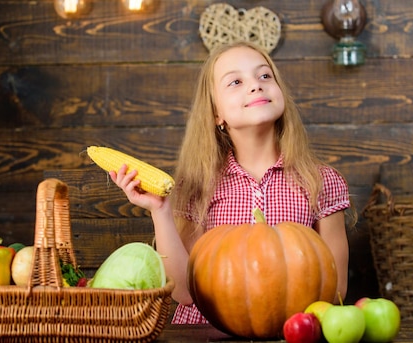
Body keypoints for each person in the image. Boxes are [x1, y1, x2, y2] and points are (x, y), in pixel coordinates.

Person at [108, 41, 355, 324]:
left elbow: (335, 289)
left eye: (264, 76)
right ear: (217, 114)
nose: (255, 85)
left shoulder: (321, 181)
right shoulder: (198, 185)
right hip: (205, 333)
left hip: (289, 330)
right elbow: (186, 292)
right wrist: (160, 211)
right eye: (235, 81)